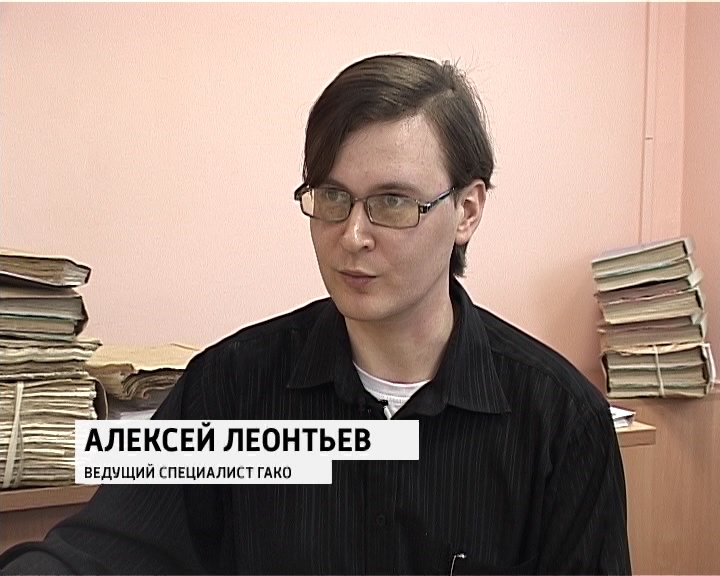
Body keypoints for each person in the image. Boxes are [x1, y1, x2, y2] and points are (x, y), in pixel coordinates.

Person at [0, 53, 631, 575]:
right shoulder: (231, 387)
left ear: (466, 211)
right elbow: (98, 552)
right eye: (333, 196)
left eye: (393, 202)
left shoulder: (561, 423)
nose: (352, 235)